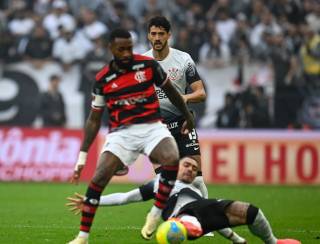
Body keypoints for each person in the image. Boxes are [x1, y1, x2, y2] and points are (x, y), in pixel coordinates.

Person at [67, 28, 195, 244]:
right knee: (97, 179)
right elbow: (94, 119)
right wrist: (82, 156)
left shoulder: (148, 66)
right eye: (121, 49)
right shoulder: (102, 78)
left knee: (172, 158)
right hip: (121, 134)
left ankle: (154, 214)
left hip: (152, 127)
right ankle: (82, 237)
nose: (127, 53)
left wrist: (187, 115)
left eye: (129, 48)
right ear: (111, 48)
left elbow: (172, 92)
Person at [67, 157, 301, 244]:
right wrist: (92, 201)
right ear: (176, 167)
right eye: (186, 165)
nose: (190, 170)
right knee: (189, 219)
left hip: (201, 211)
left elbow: (217, 222)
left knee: (250, 211)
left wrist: (237, 240)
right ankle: (177, 229)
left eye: (194, 168)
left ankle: (274, 242)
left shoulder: (197, 187)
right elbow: (124, 198)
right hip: (183, 213)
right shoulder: (160, 183)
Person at [143, 16, 208, 199]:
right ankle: (180, 219)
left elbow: (201, 93)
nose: (157, 38)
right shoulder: (142, 63)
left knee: (196, 180)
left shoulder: (183, 59)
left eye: (161, 34)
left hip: (182, 125)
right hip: (157, 129)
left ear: (169, 35)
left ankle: (206, 221)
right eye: (153, 34)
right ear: (148, 35)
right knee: (167, 183)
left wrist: (183, 98)